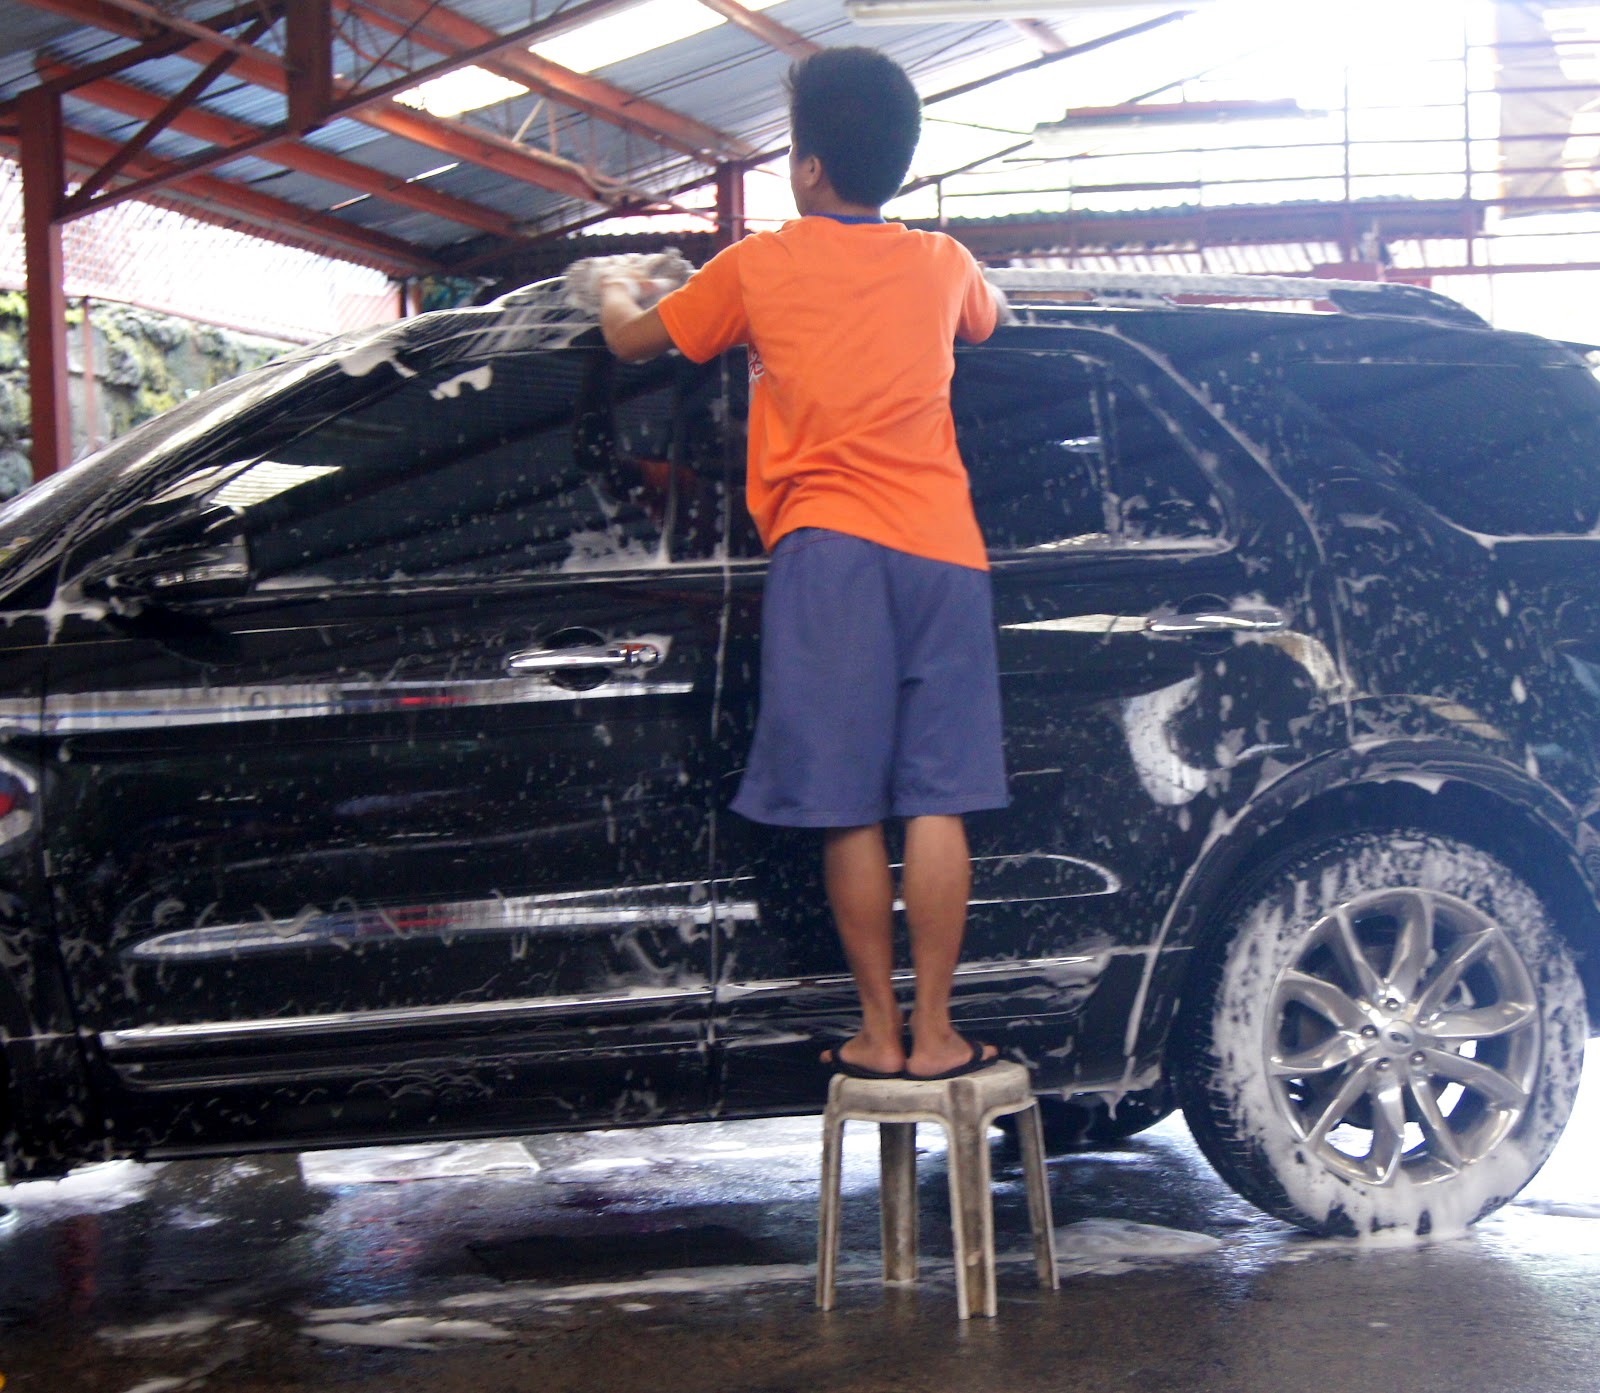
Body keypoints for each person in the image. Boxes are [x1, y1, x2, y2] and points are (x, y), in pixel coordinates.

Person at [597, 46, 1007, 1082]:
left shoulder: (760, 265)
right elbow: (990, 315)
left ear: (810, 168)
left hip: (827, 552)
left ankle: (878, 1031)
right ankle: (940, 1033)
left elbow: (636, 341)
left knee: (847, 805)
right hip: (943, 551)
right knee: (938, 798)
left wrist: (615, 286)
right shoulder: (941, 261)